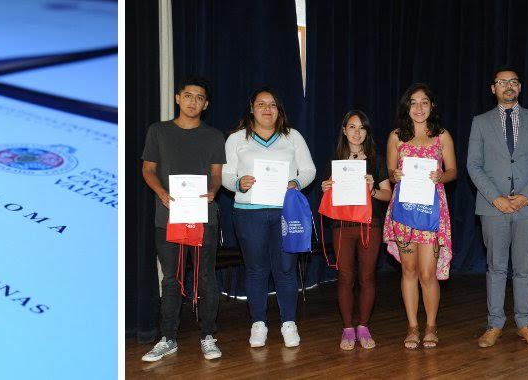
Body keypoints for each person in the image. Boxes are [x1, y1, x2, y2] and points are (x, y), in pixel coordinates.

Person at [222, 86, 317, 349]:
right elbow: (226, 175)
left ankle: (289, 322)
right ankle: (258, 323)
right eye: (261, 104)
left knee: (286, 269)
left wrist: (296, 182)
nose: (267, 109)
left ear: (279, 110)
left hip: (285, 212)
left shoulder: (292, 137)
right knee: (256, 270)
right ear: (251, 108)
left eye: (273, 104)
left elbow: (309, 169)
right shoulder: (236, 139)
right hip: (248, 214)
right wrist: (239, 182)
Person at [141, 76, 226, 362]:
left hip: (204, 218)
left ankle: (208, 336)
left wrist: (214, 191)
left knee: (206, 278)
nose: (193, 101)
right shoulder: (158, 131)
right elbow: (148, 170)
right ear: (178, 98)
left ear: (206, 104)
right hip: (168, 217)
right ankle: (168, 338)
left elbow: (217, 175)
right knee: (171, 280)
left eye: (199, 97)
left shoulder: (214, 136)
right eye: (188, 95)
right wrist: (162, 193)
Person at [470, 67, 528, 349]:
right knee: (496, 268)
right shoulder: (480, 122)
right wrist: (497, 198)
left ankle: (524, 324)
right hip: (493, 207)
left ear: (520, 87)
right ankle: (494, 325)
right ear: (493, 88)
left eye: (514, 81)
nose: (509, 86)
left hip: (527, 208)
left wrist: (525, 196)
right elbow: (474, 165)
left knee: (524, 269)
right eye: (503, 82)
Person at [384, 83, 457, 349]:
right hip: (404, 213)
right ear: (407, 107)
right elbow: (390, 173)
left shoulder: (442, 136)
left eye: (424, 102)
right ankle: (413, 326)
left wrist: (442, 176)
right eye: (413, 102)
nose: (418, 107)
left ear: (432, 106)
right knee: (409, 270)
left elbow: (453, 172)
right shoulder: (396, 137)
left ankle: (431, 325)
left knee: (428, 273)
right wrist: (395, 176)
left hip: (431, 213)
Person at [320, 110, 391, 350]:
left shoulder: (376, 160)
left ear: (367, 132)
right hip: (342, 226)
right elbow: (330, 195)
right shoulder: (335, 159)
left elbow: (388, 194)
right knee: (346, 278)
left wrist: (372, 190)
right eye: (352, 127)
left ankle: (363, 325)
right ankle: (348, 328)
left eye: (362, 128)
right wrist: (325, 187)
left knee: (367, 277)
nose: (357, 132)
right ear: (344, 130)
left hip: (369, 225)